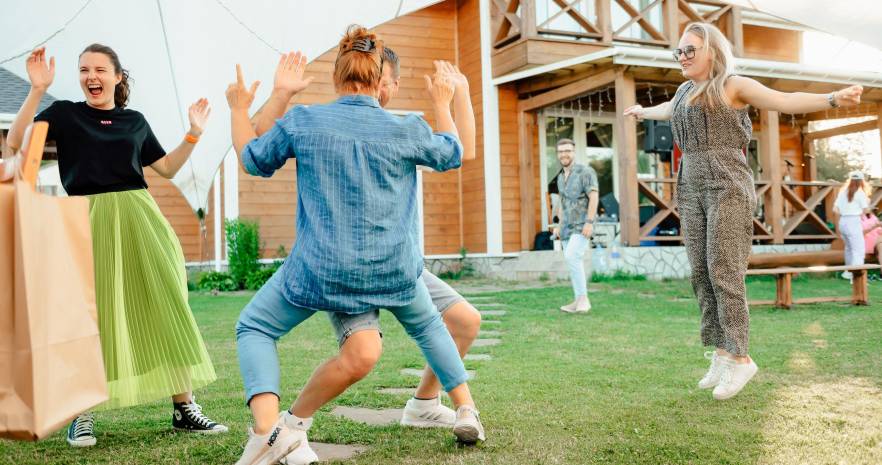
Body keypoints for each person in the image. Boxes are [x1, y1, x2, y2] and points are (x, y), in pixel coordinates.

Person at [227, 26, 484, 465]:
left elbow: (252, 159)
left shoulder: (305, 120)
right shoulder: (407, 128)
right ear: (381, 80)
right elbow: (455, 152)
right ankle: (458, 406)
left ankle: (269, 433)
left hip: (320, 270)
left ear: (337, 77)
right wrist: (445, 101)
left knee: (255, 328)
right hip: (393, 269)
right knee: (429, 326)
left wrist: (245, 105)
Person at [623, 22, 862, 400]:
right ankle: (720, 352)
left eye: (690, 50)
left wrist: (832, 98)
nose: (682, 57)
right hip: (691, 185)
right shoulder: (685, 90)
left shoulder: (732, 85)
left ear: (712, 52)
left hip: (727, 185)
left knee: (724, 268)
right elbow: (668, 109)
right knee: (702, 272)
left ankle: (741, 356)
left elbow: (784, 100)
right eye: (679, 52)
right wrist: (642, 111)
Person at [6, 45, 226, 447]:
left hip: (141, 220)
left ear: (117, 76)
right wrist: (38, 89)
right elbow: (18, 142)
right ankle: (81, 414)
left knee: (167, 304)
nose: (91, 76)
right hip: (85, 221)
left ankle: (185, 407)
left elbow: (168, 168)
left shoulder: (135, 122)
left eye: (100, 69)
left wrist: (193, 133)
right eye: (84, 70)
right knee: (86, 317)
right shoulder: (65, 115)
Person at [551, 138, 599, 313]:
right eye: (561, 151)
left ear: (574, 152)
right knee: (572, 261)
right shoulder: (560, 178)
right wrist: (558, 225)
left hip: (582, 224)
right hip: (566, 227)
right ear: (558, 154)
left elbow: (594, 196)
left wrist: (589, 222)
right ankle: (578, 299)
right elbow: (563, 203)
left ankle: (584, 299)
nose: (564, 154)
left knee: (572, 256)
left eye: (568, 151)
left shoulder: (585, 172)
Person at [835, 171, 872, 280]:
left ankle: (848, 272)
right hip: (853, 221)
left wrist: (847, 211)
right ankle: (856, 277)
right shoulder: (860, 193)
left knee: (849, 249)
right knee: (858, 250)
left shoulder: (842, 192)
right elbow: (866, 210)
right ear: (861, 181)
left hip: (843, 221)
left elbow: (835, 209)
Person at [860, 209, 882, 279]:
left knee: (881, 245)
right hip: (866, 242)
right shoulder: (855, 218)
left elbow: (879, 230)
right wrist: (874, 226)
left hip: (878, 241)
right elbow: (859, 233)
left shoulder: (872, 217)